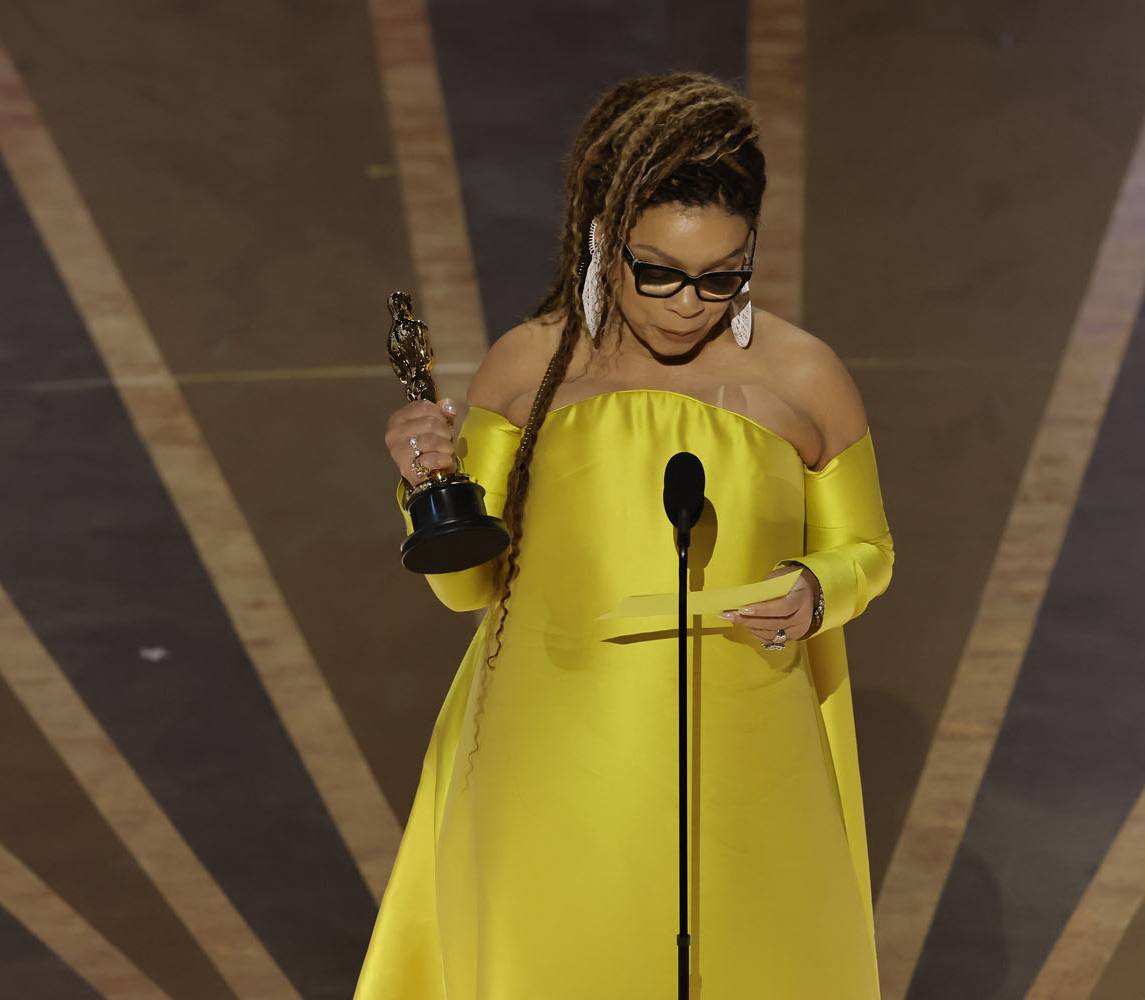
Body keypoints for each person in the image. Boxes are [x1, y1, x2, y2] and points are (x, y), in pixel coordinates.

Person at [356, 72, 894, 999]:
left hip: (742, 748)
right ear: (603, 242)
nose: (690, 303)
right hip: (556, 748)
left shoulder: (806, 378)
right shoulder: (529, 366)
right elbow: (468, 590)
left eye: (724, 276)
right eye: (661, 272)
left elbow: (869, 553)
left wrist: (814, 590)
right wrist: (426, 486)